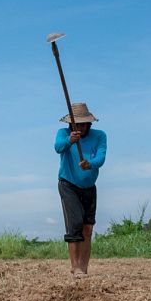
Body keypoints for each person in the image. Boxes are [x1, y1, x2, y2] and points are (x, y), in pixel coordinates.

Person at [54, 102, 107, 277]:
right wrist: (70, 140)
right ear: (71, 125)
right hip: (68, 184)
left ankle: (83, 268)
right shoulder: (64, 134)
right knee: (75, 224)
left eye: (84, 124)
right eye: (77, 124)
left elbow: (101, 158)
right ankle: (75, 266)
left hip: (89, 187)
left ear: (90, 124)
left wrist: (89, 164)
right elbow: (58, 147)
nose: (81, 128)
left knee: (88, 229)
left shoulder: (100, 136)